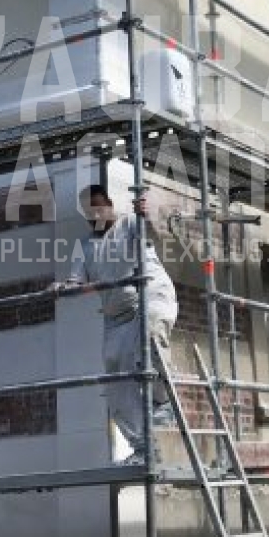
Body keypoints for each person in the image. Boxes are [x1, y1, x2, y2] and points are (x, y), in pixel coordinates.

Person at [57, 183, 178, 464]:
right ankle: (144, 449)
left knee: (150, 333)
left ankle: (163, 402)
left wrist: (147, 215)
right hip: (116, 316)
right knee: (116, 383)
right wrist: (63, 287)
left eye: (98, 207)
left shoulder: (131, 223)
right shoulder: (85, 246)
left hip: (150, 295)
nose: (95, 215)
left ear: (109, 205)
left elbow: (154, 235)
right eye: (88, 212)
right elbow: (76, 282)